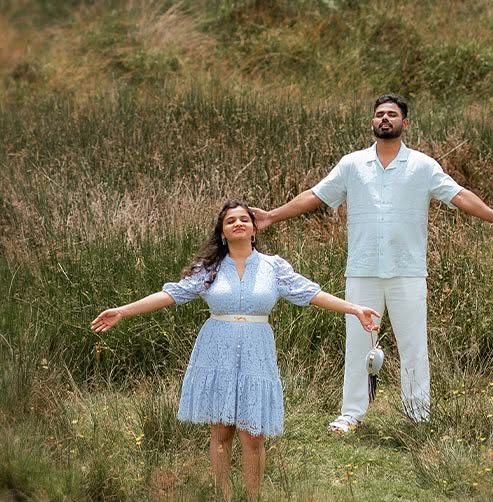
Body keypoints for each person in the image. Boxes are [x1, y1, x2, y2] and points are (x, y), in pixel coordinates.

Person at [251, 95, 493, 433]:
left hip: (407, 270)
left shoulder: (423, 166)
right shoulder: (352, 164)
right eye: (379, 114)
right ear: (372, 122)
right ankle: (351, 414)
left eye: (392, 115)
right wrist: (272, 216)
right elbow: (315, 195)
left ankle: (417, 415)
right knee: (358, 341)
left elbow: (458, 195)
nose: (385, 119)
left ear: (405, 123)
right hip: (363, 268)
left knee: (413, 344)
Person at [91, 199, 378, 500]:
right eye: (231, 221)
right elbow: (170, 294)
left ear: (254, 229)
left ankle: (252, 497)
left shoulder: (273, 267)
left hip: (257, 352)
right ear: (223, 232)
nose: (238, 223)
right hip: (217, 352)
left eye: (244, 219)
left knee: (252, 435)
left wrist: (354, 308)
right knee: (221, 431)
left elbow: (311, 293)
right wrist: (123, 311)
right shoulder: (210, 269)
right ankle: (223, 496)